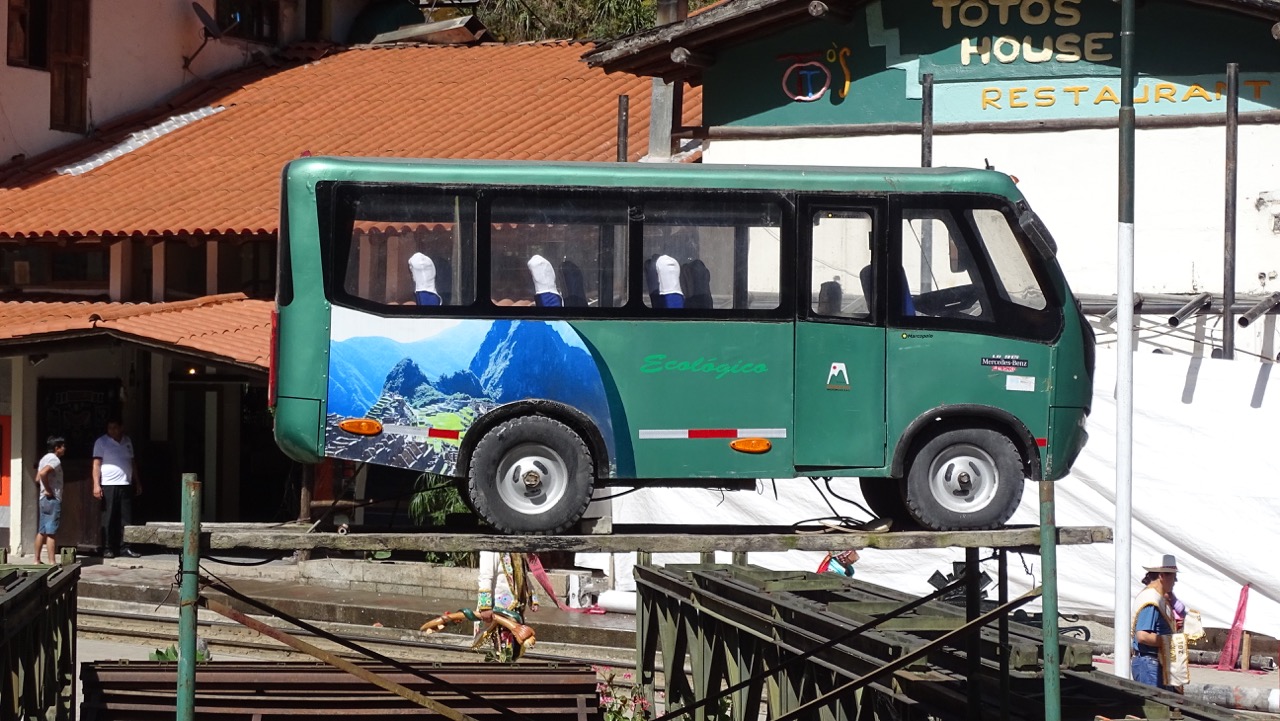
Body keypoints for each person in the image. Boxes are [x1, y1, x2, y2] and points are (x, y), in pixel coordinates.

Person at [474, 550, 539, 661]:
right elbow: (485, 576)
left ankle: (507, 672)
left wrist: (532, 596)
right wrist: (485, 606)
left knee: (516, 647)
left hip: (515, 610)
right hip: (498, 611)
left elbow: (523, 575)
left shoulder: (516, 550)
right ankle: (500, 673)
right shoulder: (491, 548)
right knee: (503, 648)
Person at [93, 418, 141, 559]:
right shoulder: (101, 442)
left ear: (121, 427)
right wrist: (96, 484)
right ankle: (107, 547)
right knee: (108, 518)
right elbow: (96, 464)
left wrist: (137, 481)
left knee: (125, 518)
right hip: (109, 484)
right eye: (110, 428)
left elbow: (132, 462)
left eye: (115, 427)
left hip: (125, 483)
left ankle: (125, 547)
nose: (112, 431)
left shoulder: (127, 441)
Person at [1131, 553, 1181, 690]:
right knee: (1156, 706)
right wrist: (1172, 641)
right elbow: (1142, 636)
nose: (1175, 580)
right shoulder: (1152, 600)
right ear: (1162, 576)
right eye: (1173, 576)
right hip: (1149, 663)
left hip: (1153, 662)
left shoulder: (1156, 598)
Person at [33, 436, 66, 564]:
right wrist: (48, 489)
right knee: (51, 531)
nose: (64, 449)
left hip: (43, 499)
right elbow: (42, 474)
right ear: (57, 448)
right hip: (52, 498)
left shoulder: (44, 458)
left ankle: (37, 559)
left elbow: (37, 478)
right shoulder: (54, 459)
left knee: (42, 530)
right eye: (62, 446)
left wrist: (43, 488)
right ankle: (52, 561)